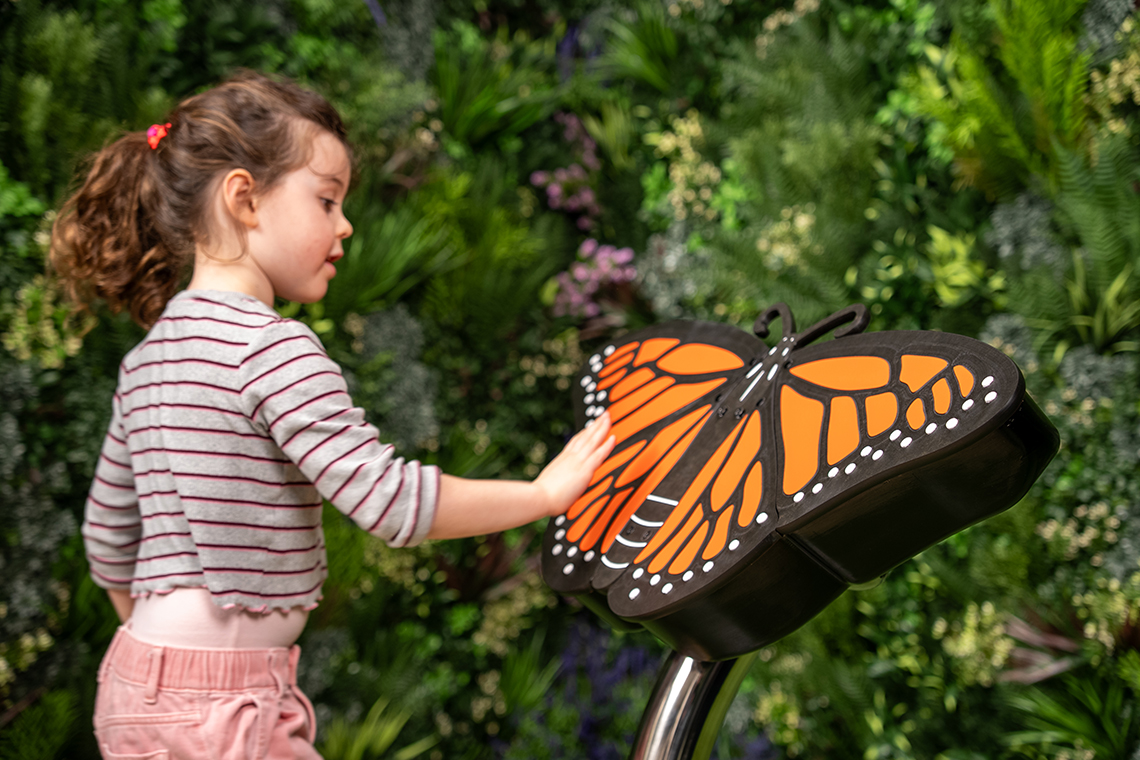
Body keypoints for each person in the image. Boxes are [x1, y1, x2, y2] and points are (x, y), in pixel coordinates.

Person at [50, 69, 614, 760]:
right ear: (244, 199)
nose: (345, 225)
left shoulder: (147, 361)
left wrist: (164, 667)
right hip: (223, 712)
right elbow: (388, 502)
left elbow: (107, 539)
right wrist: (543, 494)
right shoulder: (270, 346)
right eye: (326, 200)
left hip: (135, 693)